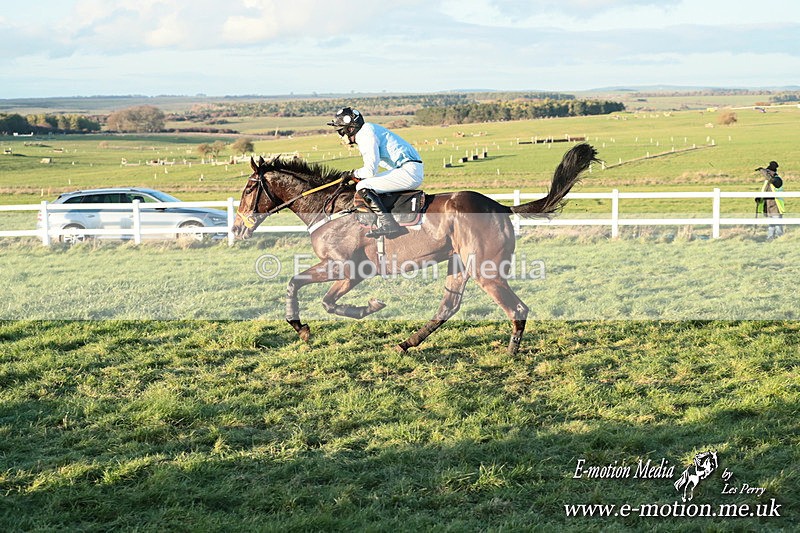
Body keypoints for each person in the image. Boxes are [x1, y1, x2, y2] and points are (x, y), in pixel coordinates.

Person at [327, 107, 423, 238]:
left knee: (362, 186)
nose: (340, 137)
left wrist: (352, 173)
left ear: (349, 129)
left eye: (340, 132)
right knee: (364, 183)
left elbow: (370, 170)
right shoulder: (368, 130)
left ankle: (389, 225)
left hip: (409, 171)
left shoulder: (365, 135)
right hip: (407, 169)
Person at [755, 160, 785, 240]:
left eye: (768, 172)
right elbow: (765, 191)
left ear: (772, 172)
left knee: (778, 224)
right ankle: (770, 238)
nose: (767, 174)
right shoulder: (768, 181)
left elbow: (771, 180)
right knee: (770, 224)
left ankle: (780, 238)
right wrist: (759, 198)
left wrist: (763, 171)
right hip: (768, 205)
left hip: (776, 205)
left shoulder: (778, 180)